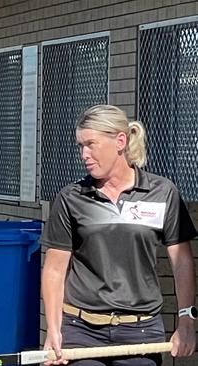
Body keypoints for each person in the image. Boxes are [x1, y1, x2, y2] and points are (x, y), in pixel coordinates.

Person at [41, 104, 196, 365]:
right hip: (81, 329)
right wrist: (54, 330)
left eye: (91, 144)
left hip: (141, 330)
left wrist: (186, 320)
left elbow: (181, 262)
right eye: (80, 146)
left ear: (120, 141)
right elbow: (55, 270)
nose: (84, 154)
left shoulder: (162, 192)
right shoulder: (71, 198)